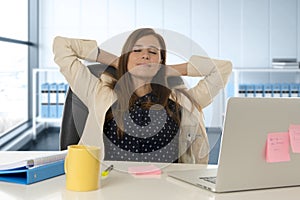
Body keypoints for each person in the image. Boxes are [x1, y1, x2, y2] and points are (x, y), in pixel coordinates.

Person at [53, 28, 232, 164]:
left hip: (168, 188)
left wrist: (171, 70)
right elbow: (62, 46)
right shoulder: (98, 92)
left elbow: (223, 68)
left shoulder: (181, 100)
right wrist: (117, 61)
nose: (145, 55)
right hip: (112, 185)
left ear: (161, 60)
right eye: (136, 50)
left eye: (153, 52)